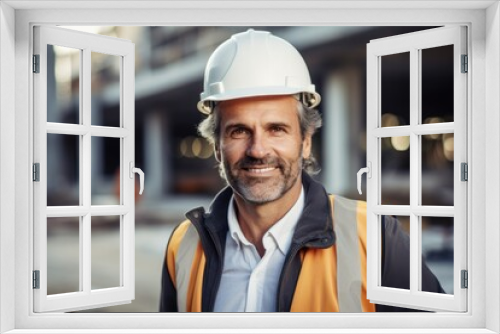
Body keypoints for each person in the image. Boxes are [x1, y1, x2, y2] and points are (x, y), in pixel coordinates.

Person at [160, 29, 443, 312]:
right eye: (239, 131)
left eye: (277, 129)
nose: (258, 150)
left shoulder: (375, 238)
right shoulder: (183, 246)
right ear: (218, 148)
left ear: (306, 142)